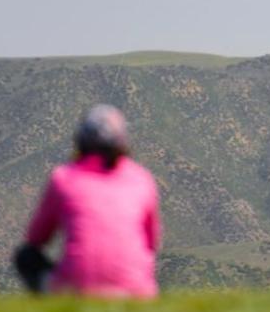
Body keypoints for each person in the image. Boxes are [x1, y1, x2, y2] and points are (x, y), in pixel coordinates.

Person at [13, 104, 161, 298]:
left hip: (77, 289)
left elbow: (36, 238)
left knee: (26, 256)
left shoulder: (64, 178)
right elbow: (151, 242)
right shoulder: (142, 179)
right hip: (137, 292)